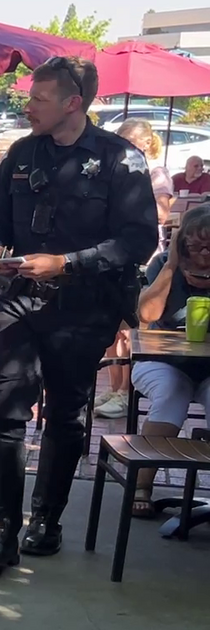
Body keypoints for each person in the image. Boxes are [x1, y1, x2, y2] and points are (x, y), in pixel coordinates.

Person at [0, 56, 159, 574]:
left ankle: (46, 520)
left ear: (72, 103)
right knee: (6, 413)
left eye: (39, 99)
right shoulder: (21, 154)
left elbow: (139, 240)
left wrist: (68, 265)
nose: (28, 106)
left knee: (66, 416)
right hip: (18, 302)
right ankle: (0, 530)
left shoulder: (122, 160)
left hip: (83, 309)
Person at [92, 120, 178, 419]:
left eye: (128, 141)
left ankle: (127, 392)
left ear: (144, 143)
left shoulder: (155, 173)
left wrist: (128, 205)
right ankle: (114, 387)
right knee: (112, 329)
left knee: (130, 330)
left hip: (141, 260)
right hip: (113, 255)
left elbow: (163, 212)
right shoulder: (117, 170)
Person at [128, 206, 210, 518]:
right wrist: (171, 266)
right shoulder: (164, 264)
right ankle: (142, 483)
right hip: (163, 361)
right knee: (171, 394)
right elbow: (146, 316)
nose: (203, 256)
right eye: (194, 246)